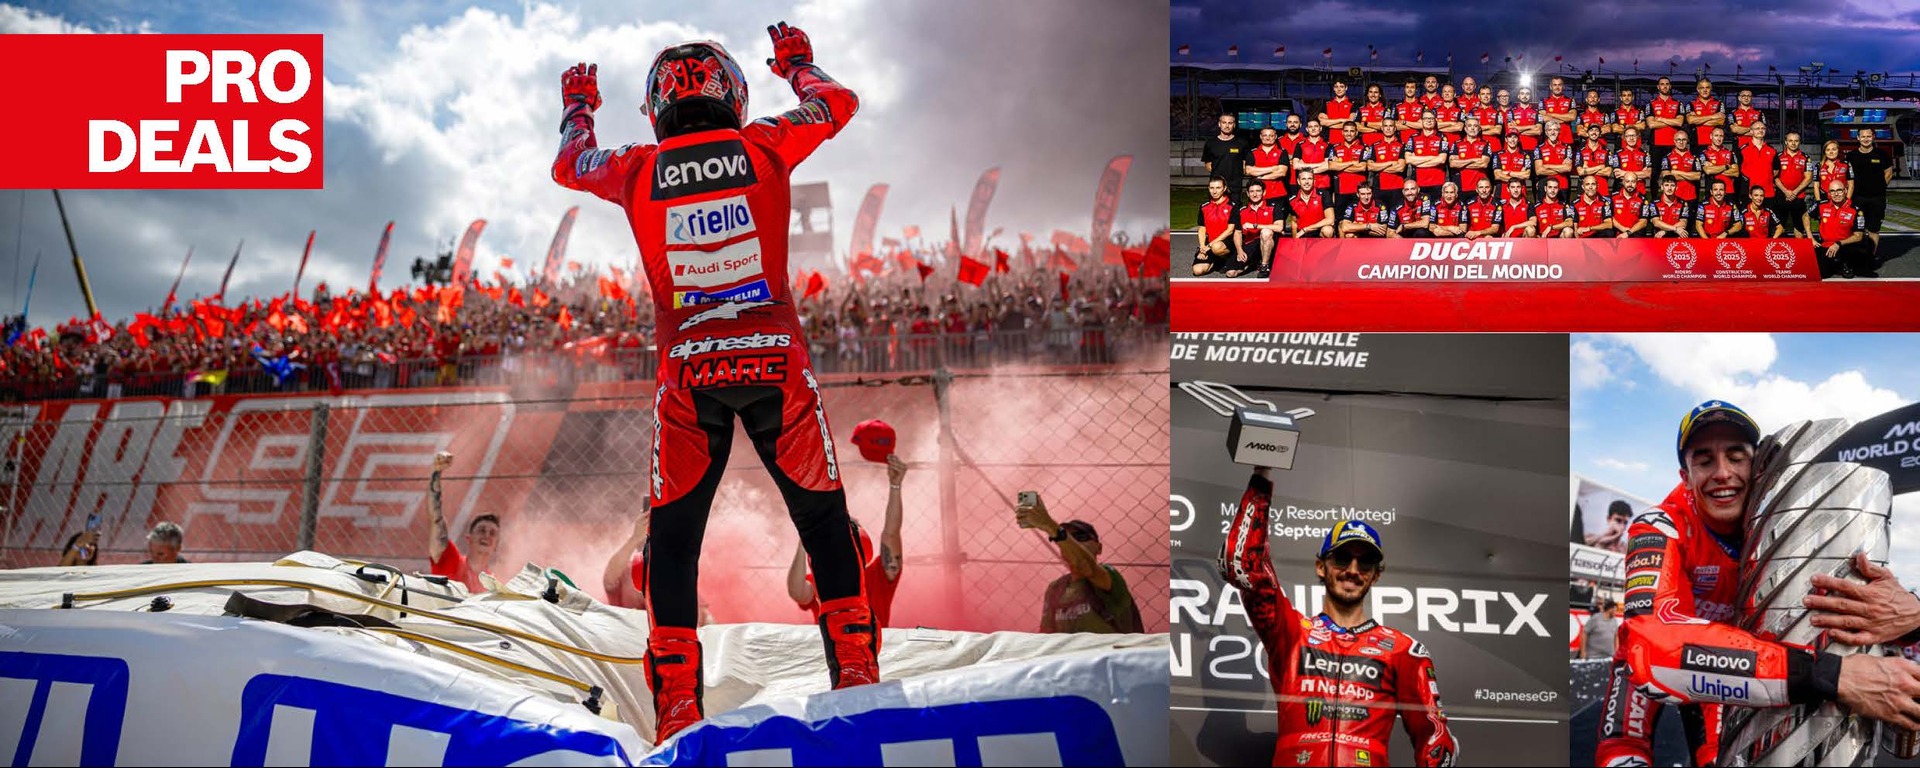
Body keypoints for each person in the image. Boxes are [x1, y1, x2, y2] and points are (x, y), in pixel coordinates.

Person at [549, 22, 880, 741]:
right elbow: (839, 103)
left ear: (657, 102)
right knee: (823, 523)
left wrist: (579, 109)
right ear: (731, 91)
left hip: (688, 373)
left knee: (672, 543)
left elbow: (569, 163)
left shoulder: (637, 167)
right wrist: (799, 64)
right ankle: (855, 677)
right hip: (776, 366)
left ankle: (677, 709)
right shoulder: (763, 144)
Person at [1594, 400, 1920, 766]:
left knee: (1721, 757)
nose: (1722, 473)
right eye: (1704, 460)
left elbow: (1838, 608)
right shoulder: (1659, 525)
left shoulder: (1790, 522)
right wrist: (1834, 675)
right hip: (1668, 660)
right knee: (1621, 755)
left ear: (1759, 467)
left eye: (1736, 457)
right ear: (1685, 476)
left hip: (1743, 663)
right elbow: (1650, 646)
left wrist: (1912, 618)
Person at [1221, 466, 1459, 767]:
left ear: (1376, 575)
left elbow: (1435, 738)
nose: (1353, 570)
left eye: (1365, 562)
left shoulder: (1403, 650)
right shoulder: (1292, 633)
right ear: (1321, 566)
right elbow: (1241, 566)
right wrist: (1262, 476)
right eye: (1343, 558)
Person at [790, 454, 906, 632]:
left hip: (872, 652)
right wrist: (806, 533)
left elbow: (891, 533)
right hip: (831, 653)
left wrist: (895, 486)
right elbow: (798, 592)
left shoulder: (877, 575)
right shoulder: (822, 576)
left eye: (852, 525)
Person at [1016, 497, 1141, 635]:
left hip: (1111, 654)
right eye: (1068, 539)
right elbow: (1046, 635)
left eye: (1080, 536)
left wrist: (1051, 526)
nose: (1073, 543)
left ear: (1099, 548)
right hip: (1071, 656)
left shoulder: (1109, 576)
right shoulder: (1056, 588)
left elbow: (1085, 566)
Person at [425, 451, 498, 592]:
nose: (486, 536)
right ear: (468, 539)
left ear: (496, 546)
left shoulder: (494, 585)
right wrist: (436, 473)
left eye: (492, 533)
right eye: (482, 530)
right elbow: (435, 519)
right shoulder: (450, 559)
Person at [1807, 180, 1874, 279]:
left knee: (1860, 267)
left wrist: (1838, 244)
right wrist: (1810, 237)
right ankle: (1833, 264)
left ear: (1845, 191)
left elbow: (1858, 236)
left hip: (1845, 246)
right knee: (1821, 274)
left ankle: (1845, 264)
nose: (1836, 194)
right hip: (1826, 245)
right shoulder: (1821, 205)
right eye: (1832, 191)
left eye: (1839, 190)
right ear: (1829, 193)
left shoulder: (1856, 210)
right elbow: (1805, 216)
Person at [1846, 127, 1894, 255]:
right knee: (1857, 230)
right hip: (1857, 198)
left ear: (1873, 137)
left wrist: (1878, 188)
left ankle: (1870, 258)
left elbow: (1888, 173)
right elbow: (1846, 177)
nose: (1866, 139)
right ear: (1858, 138)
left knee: (1874, 229)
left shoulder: (1882, 154)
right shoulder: (1851, 156)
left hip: (1877, 199)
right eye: (1863, 136)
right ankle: (1856, 257)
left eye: (1868, 136)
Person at [1192, 177, 1243, 277]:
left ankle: (1228, 258)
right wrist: (1202, 247)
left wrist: (1209, 246)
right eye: (1212, 188)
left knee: (1217, 247)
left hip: (1227, 244)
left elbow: (1230, 230)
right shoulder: (1204, 207)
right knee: (1197, 270)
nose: (1214, 191)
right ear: (1208, 188)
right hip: (1209, 244)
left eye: (1218, 188)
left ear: (1224, 188)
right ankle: (1217, 261)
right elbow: (1202, 229)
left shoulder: (1233, 206)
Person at [1235, 180, 1284, 278]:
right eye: (1252, 191)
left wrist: (1255, 225)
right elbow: (1237, 233)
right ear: (1248, 194)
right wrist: (1239, 250)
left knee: (1266, 232)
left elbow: (1279, 227)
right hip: (1251, 244)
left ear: (1264, 192)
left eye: (1258, 191)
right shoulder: (1241, 211)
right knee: (1231, 273)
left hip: (1270, 243)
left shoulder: (1274, 207)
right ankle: (1254, 261)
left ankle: (1264, 265)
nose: (1255, 194)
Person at [1774, 131, 1817, 236]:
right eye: (1790, 141)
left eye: (1796, 141)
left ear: (1799, 142)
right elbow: (1774, 176)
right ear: (1785, 142)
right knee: (1780, 227)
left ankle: (1799, 251)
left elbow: (1808, 178)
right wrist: (1786, 191)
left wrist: (1794, 192)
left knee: (1798, 227)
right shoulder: (1778, 157)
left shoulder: (1806, 158)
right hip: (1781, 196)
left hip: (1799, 196)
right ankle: (1777, 251)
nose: (1793, 143)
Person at [1202, 113, 1252, 204]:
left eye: (1230, 123)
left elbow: (1245, 165)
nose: (1227, 125)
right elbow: (1208, 165)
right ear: (1219, 124)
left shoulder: (1242, 143)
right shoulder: (1211, 143)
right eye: (1224, 122)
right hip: (1217, 187)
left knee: (1234, 215)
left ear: (1234, 125)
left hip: (1235, 187)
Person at [1287, 169, 1335, 239]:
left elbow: (1330, 220)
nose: (1307, 182)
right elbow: (1294, 222)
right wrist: (1295, 241)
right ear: (1298, 181)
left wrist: (1306, 229)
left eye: (1310, 179)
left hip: (1319, 232)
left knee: (1328, 230)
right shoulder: (1292, 200)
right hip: (1303, 235)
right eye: (1303, 179)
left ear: (1314, 181)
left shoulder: (1324, 195)